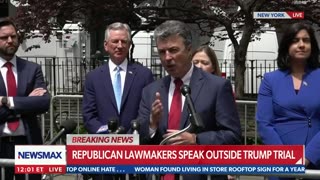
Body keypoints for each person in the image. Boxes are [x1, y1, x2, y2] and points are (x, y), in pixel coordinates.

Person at [138, 20, 241, 180]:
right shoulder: (151, 91)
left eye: (173, 50)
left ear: (189, 49)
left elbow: (233, 136)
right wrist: (151, 124)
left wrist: (197, 140)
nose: (167, 58)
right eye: (162, 51)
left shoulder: (217, 86)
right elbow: (139, 138)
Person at [82, 22, 154, 179]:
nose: (119, 45)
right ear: (106, 45)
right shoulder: (93, 77)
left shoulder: (144, 75)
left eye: (124, 41)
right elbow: (88, 116)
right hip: (104, 153)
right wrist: (109, 135)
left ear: (129, 45)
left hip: (135, 152)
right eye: (115, 41)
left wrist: (129, 137)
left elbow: (146, 112)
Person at [256, 22, 320, 180]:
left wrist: (308, 156)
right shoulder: (270, 80)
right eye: (295, 40)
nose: (301, 45)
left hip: (316, 160)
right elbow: (264, 123)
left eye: (306, 40)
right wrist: (285, 158)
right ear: (286, 45)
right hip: (280, 162)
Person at [0, 18, 50, 180]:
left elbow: (43, 103)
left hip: (28, 142)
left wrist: (8, 101)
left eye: (13, 36)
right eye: (4, 37)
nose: (10, 41)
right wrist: (26, 104)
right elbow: (33, 105)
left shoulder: (32, 69)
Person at [192, 46, 236, 180]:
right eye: (195, 62)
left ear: (213, 67)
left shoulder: (221, 88)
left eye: (205, 63)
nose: (199, 66)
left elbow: (230, 133)